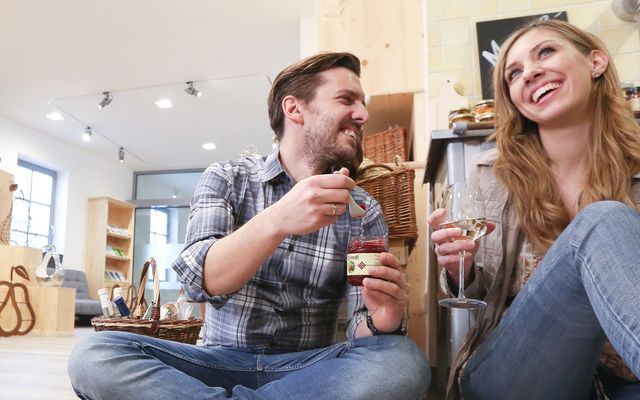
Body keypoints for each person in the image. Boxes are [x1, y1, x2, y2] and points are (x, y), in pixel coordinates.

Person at [68, 52, 430, 400]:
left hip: (307, 369)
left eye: (362, 103)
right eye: (346, 99)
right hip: (216, 361)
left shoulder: (362, 210)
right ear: (294, 108)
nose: (363, 114)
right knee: (96, 355)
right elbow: (198, 282)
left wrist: (383, 319)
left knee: (403, 363)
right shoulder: (226, 178)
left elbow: (361, 333)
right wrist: (276, 219)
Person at [428, 19, 640, 400]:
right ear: (513, 99)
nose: (531, 73)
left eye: (546, 52)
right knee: (603, 218)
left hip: (621, 373)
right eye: (514, 73)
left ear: (596, 63)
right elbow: (482, 293)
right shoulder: (493, 175)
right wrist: (459, 269)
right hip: (517, 368)